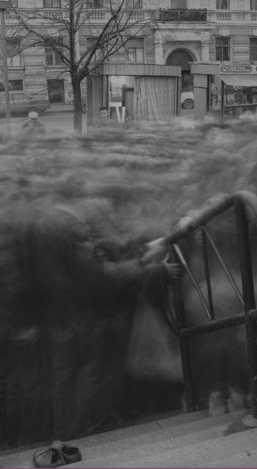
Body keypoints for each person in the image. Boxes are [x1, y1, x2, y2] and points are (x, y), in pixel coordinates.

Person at [31, 187, 180, 439]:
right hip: (83, 314)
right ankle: (82, 432)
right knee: (90, 374)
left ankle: (66, 432)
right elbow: (98, 275)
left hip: (57, 313)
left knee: (64, 378)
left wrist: (141, 252)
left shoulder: (44, 222)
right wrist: (148, 266)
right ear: (78, 197)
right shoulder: (71, 226)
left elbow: (103, 254)